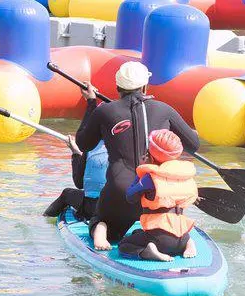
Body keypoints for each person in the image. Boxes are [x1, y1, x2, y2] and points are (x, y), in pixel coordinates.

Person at [76, 61, 200, 250]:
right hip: (156, 194)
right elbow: (193, 145)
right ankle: (179, 239)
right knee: (157, 228)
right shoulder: (164, 109)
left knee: (103, 221)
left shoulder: (104, 111)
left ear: (118, 87)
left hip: (121, 192)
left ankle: (101, 228)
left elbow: (83, 144)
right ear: (144, 86)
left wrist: (91, 103)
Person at [118, 129, 197, 261]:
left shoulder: (150, 178)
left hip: (161, 240)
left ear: (151, 155)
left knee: (124, 244)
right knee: (138, 233)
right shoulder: (185, 176)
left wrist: (140, 174)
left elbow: (130, 196)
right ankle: (188, 243)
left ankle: (148, 251)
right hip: (183, 236)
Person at [43, 135, 108, 221]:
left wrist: (75, 153)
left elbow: (79, 183)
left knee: (66, 193)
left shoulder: (90, 149)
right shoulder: (127, 148)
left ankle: (44, 217)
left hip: (95, 209)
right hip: (123, 208)